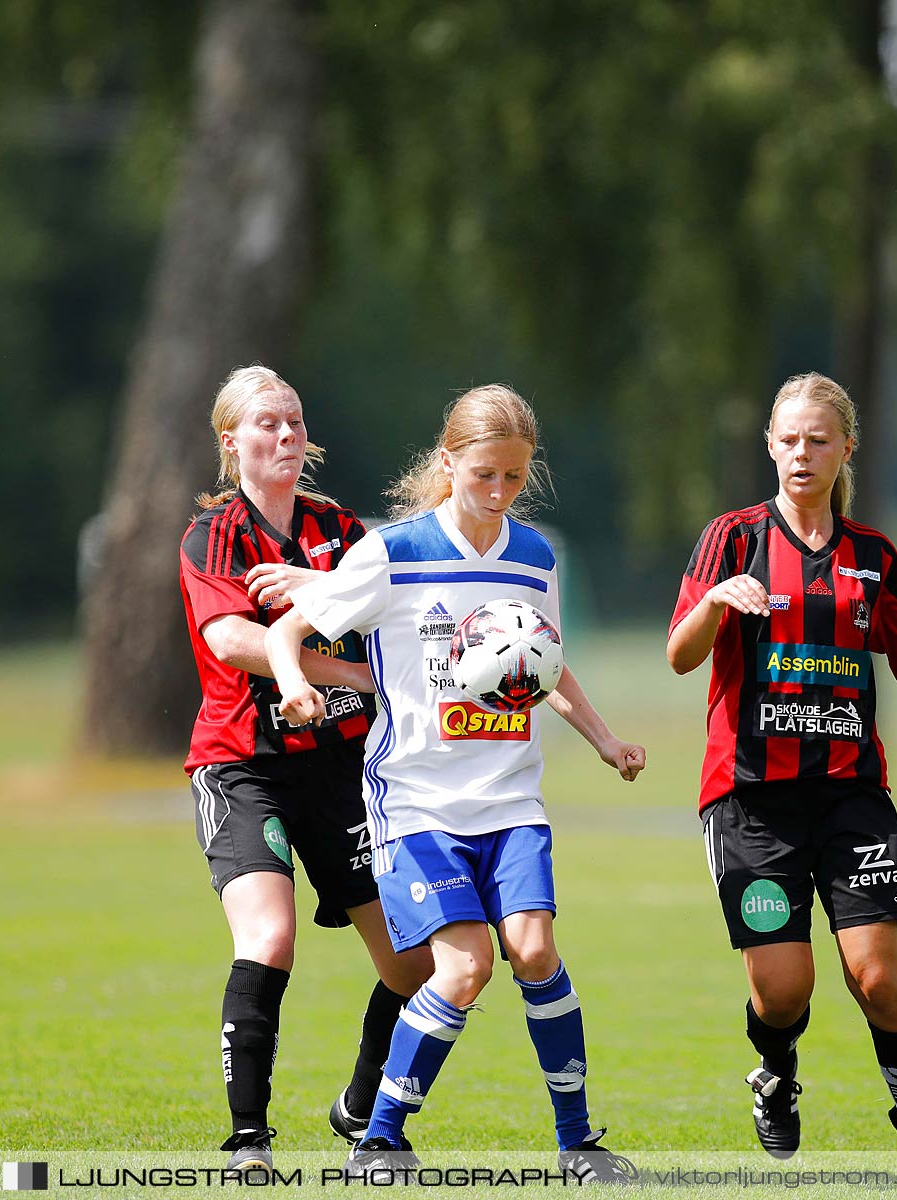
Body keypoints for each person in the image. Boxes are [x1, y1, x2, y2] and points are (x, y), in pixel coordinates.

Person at [264, 384, 646, 1182]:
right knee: (465, 967)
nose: (498, 492)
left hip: (509, 797)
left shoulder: (534, 557)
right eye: (483, 476)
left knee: (534, 950)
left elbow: (543, 660)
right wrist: (293, 684)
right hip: (416, 800)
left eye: (513, 477)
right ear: (448, 464)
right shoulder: (394, 552)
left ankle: (578, 1142)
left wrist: (605, 738)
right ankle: (381, 1138)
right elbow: (289, 629)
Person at [666, 372, 897, 1181]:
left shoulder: (872, 557)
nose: (802, 453)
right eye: (789, 439)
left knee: (878, 978)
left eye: (818, 440)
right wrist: (718, 601)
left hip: (851, 797)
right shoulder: (732, 538)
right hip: (750, 802)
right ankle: (777, 1073)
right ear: (769, 445)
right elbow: (681, 656)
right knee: (784, 991)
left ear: (844, 450)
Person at [178, 365, 434, 1173]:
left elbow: (391, 612)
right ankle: (248, 1140)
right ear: (232, 443)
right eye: (266, 424)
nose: (285, 436)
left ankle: (362, 1106)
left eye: (293, 422)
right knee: (271, 934)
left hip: (341, 772)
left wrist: (320, 591)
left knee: (415, 964)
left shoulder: (340, 530)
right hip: (242, 766)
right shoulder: (213, 538)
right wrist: (349, 675)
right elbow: (230, 642)